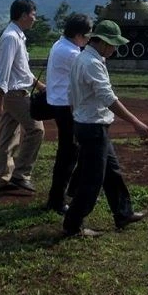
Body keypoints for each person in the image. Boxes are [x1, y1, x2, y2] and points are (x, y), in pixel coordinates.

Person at [63, 20, 148, 237]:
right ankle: (72, 225)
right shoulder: (92, 63)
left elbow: (71, 94)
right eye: (113, 45)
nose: (115, 49)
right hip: (93, 128)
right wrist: (136, 122)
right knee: (92, 180)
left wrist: (76, 120)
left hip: (90, 125)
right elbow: (108, 98)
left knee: (112, 173)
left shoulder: (83, 58)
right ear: (102, 42)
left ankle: (123, 213)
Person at [0, 0, 45, 193]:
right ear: (23, 15)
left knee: (8, 136)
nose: (35, 19)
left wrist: (40, 86)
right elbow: (3, 73)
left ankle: (3, 179)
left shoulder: (18, 36)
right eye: (33, 15)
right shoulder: (11, 38)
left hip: (13, 93)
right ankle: (21, 174)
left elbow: (22, 71)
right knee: (36, 130)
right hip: (14, 94)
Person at [44, 13, 93, 214]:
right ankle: (57, 199)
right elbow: (88, 75)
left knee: (70, 152)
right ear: (78, 35)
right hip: (67, 107)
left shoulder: (60, 44)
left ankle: (63, 193)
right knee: (69, 154)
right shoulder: (72, 53)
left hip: (60, 103)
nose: (89, 39)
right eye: (87, 35)